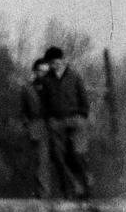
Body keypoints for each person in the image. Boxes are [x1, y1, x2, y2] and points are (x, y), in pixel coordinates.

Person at [39, 46, 92, 200]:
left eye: (56, 62)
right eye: (50, 63)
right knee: (59, 158)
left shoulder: (74, 76)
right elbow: (44, 102)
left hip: (76, 120)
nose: (53, 65)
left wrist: (82, 116)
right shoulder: (47, 80)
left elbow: (84, 98)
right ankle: (68, 191)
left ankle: (87, 186)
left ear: (62, 60)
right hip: (56, 121)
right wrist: (49, 118)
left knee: (77, 153)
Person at [18, 57, 54, 199]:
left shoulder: (55, 87)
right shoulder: (27, 89)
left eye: (46, 71)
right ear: (35, 71)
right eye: (40, 71)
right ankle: (43, 196)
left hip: (56, 126)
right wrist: (28, 124)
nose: (43, 74)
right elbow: (23, 111)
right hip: (37, 127)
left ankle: (72, 193)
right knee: (41, 163)